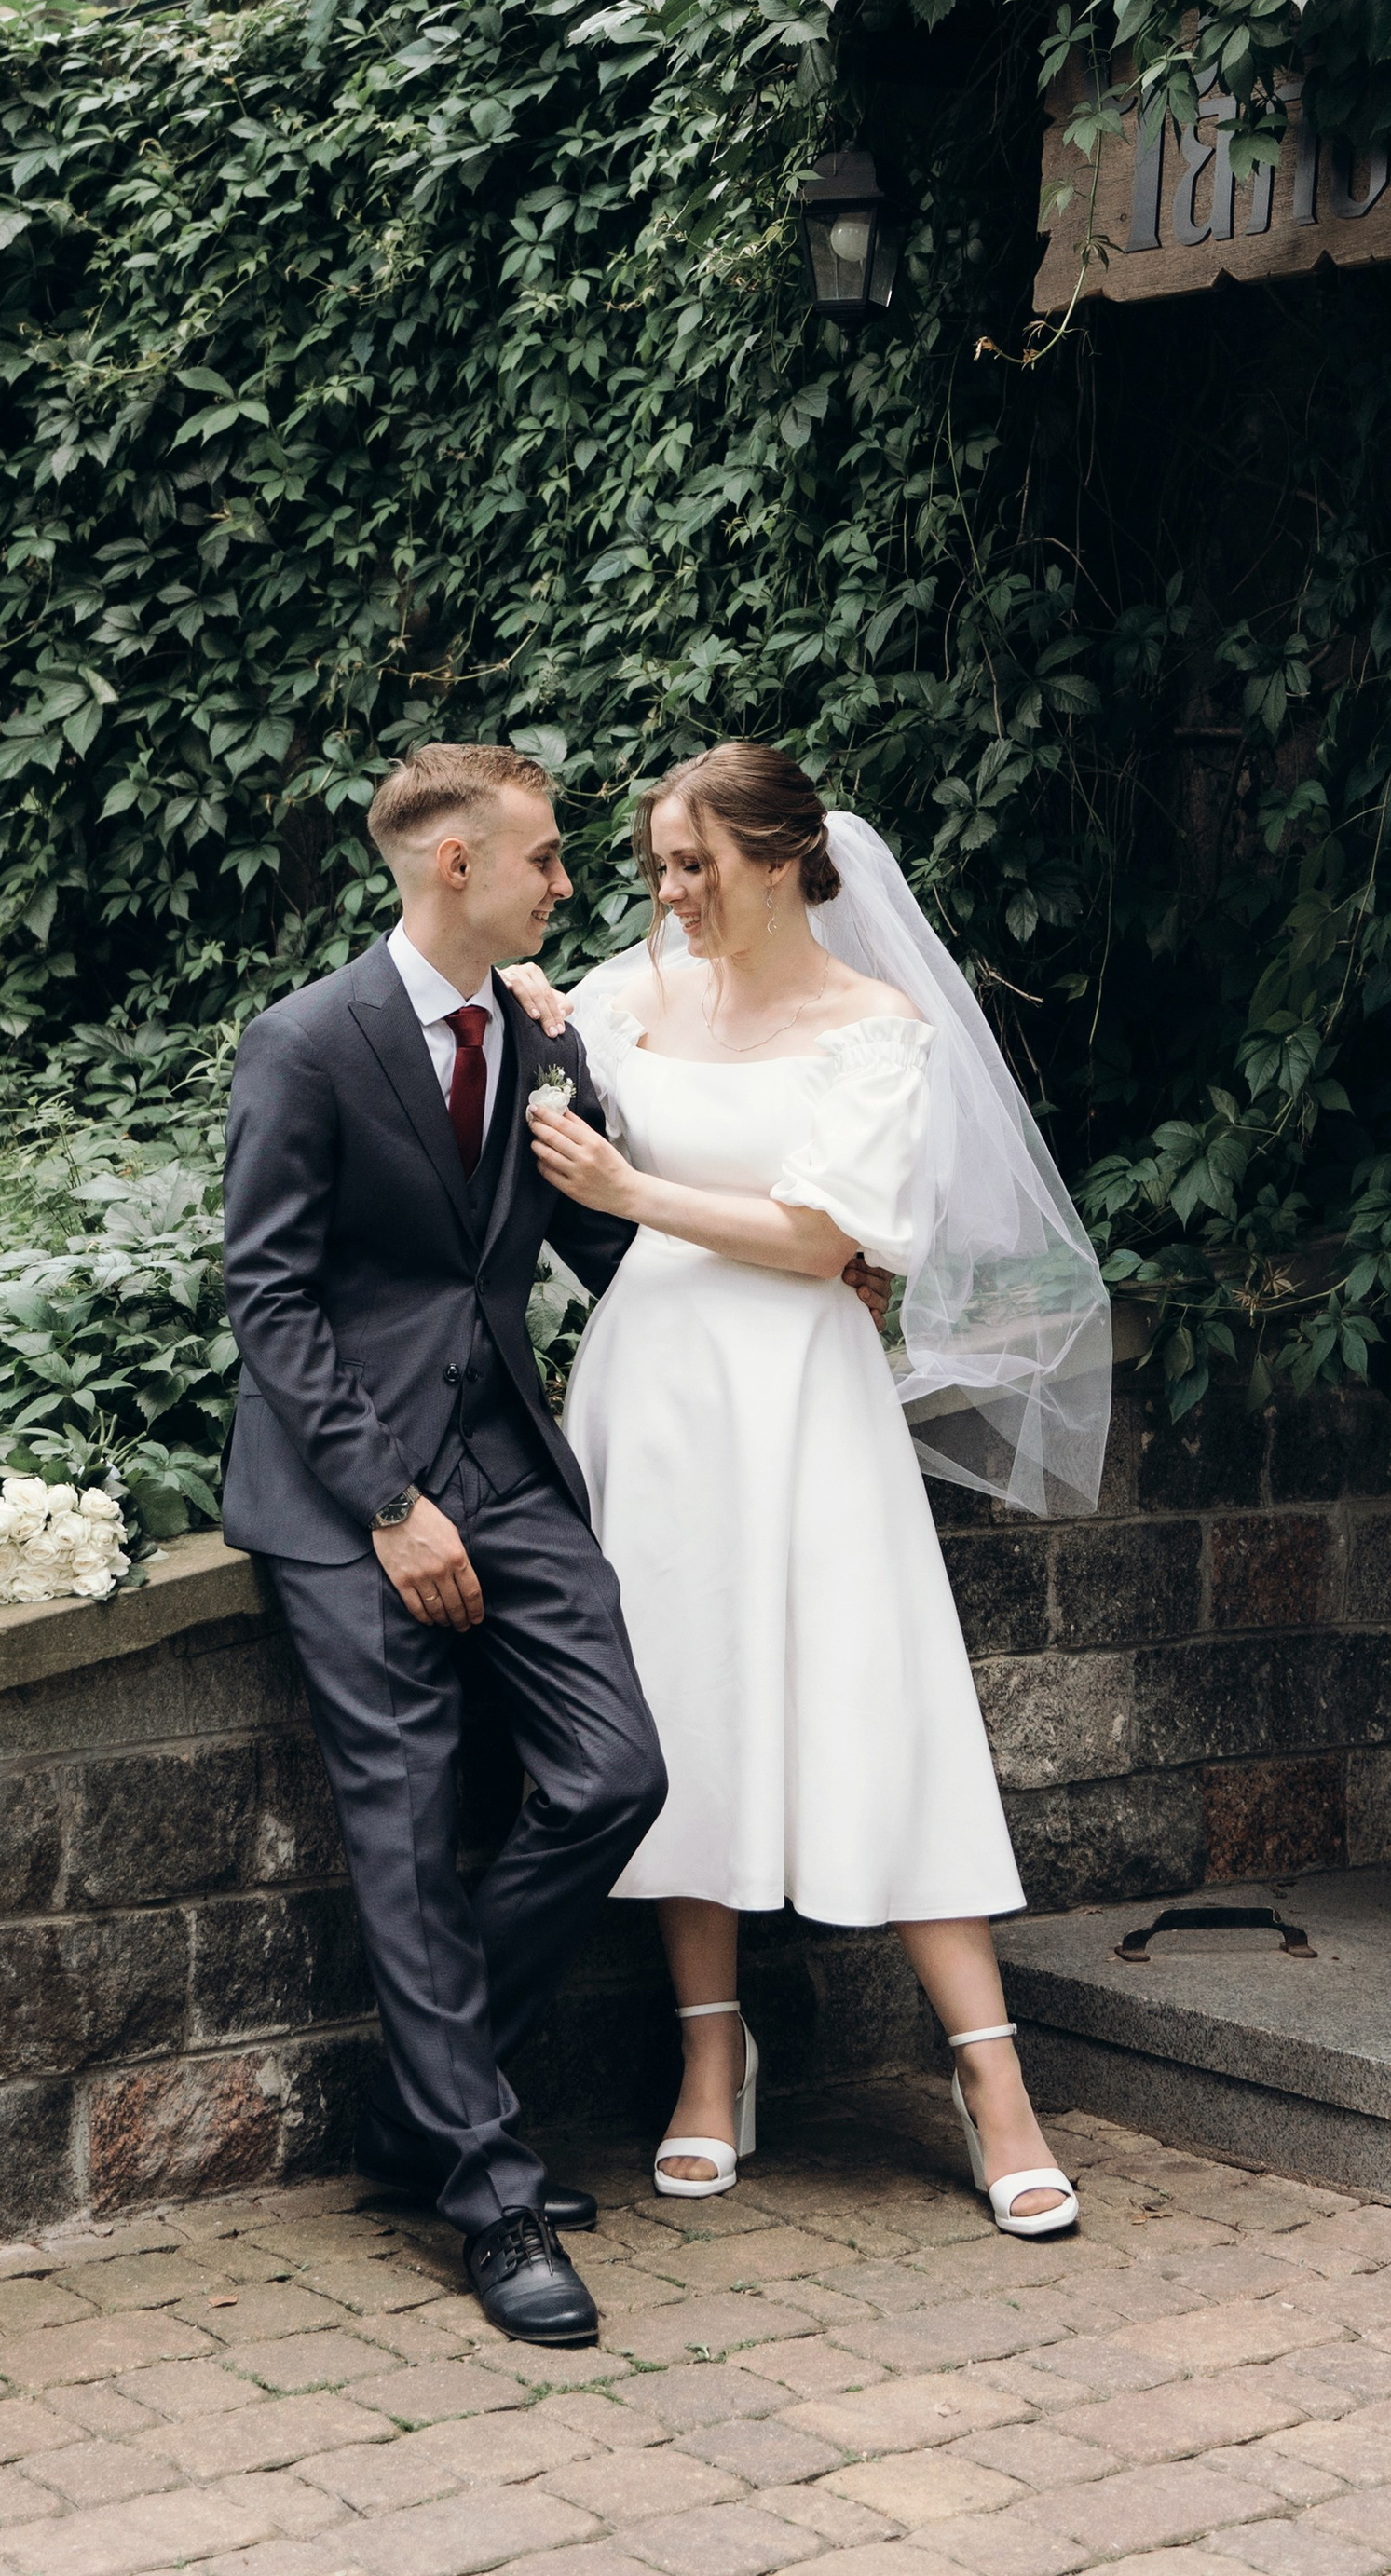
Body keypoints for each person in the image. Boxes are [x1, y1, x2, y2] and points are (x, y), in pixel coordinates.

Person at [512, 741, 1112, 2233]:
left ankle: (992, 2080)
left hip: (804, 1393)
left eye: (695, 862)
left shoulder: (875, 1024)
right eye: (656, 861)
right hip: (655, 1392)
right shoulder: (634, 989)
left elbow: (833, 1232)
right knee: (683, 1705)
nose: (669, 889)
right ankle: (712, 2059)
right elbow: (528, 1037)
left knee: (877, 1701)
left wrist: (631, 1190)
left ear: (784, 858)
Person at [221, 743, 667, 2348]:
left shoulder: (540, 1034)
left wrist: (816, 1277)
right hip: (353, 1488)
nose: (570, 883)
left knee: (618, 1774)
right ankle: (485, 2187)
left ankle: (427, 2102)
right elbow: (267, 1295)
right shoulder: (306, 1042)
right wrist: (389, 1504)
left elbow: (606, 1233)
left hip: (508, 1455)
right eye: (546, 859)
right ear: (456, 868)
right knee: (406, 1827)